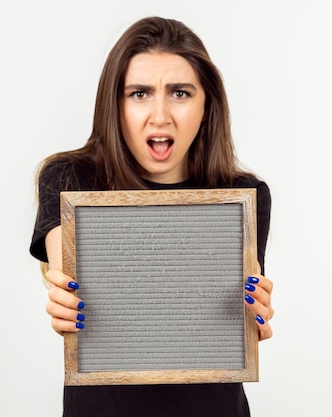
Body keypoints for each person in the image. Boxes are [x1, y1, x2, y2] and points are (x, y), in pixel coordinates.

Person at [30, 16, 274, 417]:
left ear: (206, 105)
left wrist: (254, 319)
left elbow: (243, 314)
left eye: (180, 92)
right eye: (139, 93)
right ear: (115, 104)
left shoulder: (243, 197)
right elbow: (70, 291)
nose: (160, 116)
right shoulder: (70, 179)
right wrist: (64, 307)